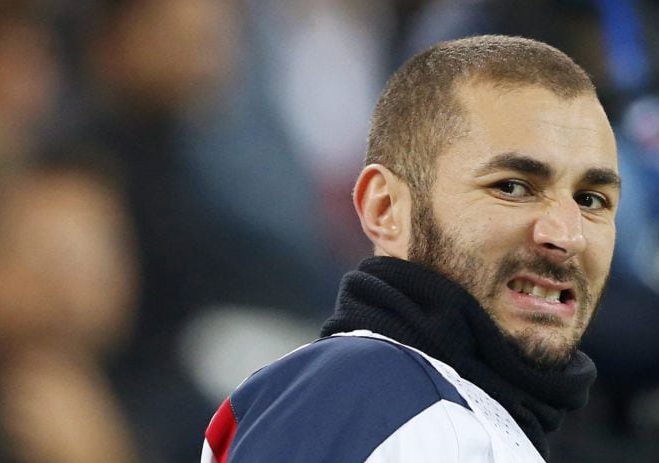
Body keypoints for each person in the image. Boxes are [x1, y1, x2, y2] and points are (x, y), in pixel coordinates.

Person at [201, 35, 620, 463]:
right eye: (512, 187)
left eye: (591, 200)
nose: (568, 236)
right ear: (385, 209)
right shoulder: (370, 394)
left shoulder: (442, 411)